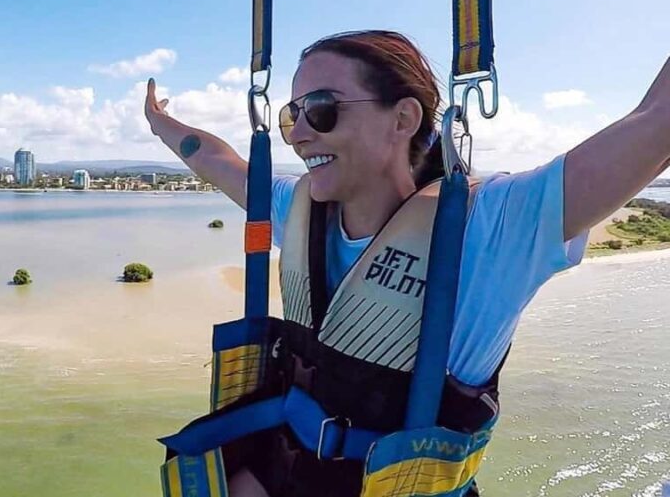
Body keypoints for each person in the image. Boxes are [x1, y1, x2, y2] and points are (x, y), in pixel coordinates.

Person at [144, 30, 670, 497]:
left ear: (403, 118)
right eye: (292, 114)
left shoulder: (490, 230)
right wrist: (160, 122)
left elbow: (657, 122)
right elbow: (216, 161)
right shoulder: (298, 210)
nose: (300, 132)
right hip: (285, 471)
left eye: (322, 108)